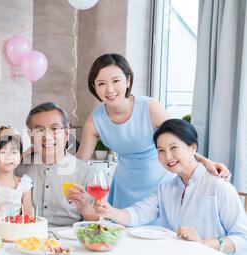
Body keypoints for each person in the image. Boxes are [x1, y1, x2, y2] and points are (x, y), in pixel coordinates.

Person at [76, 53, 230, 209]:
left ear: (128, 81)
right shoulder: (95, 119)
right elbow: (79, 165)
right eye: (101, 83)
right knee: (123, 228)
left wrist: (206, 162)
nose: (110, 89)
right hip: (125, 186)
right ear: (94, 86)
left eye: (116, 81)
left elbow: (179, 143)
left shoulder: (150, 108)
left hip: (160, 183)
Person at [95, 119, 247, 255]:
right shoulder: (166, 187)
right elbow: (138, 214)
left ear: (192, 148)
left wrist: (203, 243)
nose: (167, 156)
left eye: (174, 147)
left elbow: (242, 238)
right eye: (161, 150)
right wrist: (108, 210)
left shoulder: (219, 186)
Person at [0, 102, 98, 227]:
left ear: (66, 134)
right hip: (26, 239)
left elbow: (99, 224)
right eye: (39, 130)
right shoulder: (18, 168)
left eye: (54, 129)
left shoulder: (87, 173)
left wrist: (86, 209)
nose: (47, 137)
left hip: (69, 241)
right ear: (31, 136)